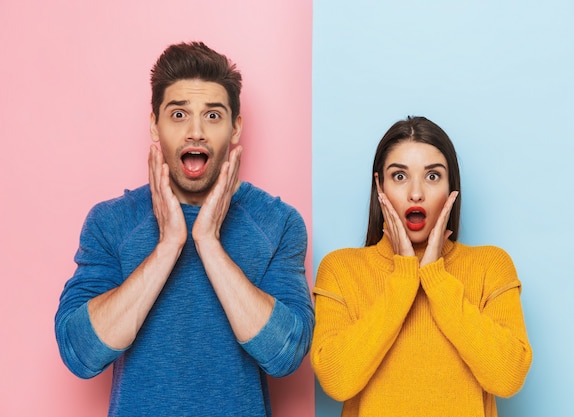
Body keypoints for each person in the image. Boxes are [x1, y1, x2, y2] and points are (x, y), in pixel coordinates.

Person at [54, 41, 314, 417]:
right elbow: (81, 353)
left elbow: (285, 355)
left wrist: (208, 242)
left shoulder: (278, 223)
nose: (196, 132)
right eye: (178, 115)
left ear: (235, 126)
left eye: (212, 116)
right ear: (154, 126)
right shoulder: (111, 221)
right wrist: (168, 245)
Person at [310, 116, 532, 416]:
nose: (416, 193)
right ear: (380, 188)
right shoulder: (341, 269)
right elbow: (338, 381)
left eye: (432, 176)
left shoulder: (491, 265)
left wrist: (435, 277)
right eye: (399, 176)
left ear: (452, 188)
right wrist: (404, 277)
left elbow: (507, 377)